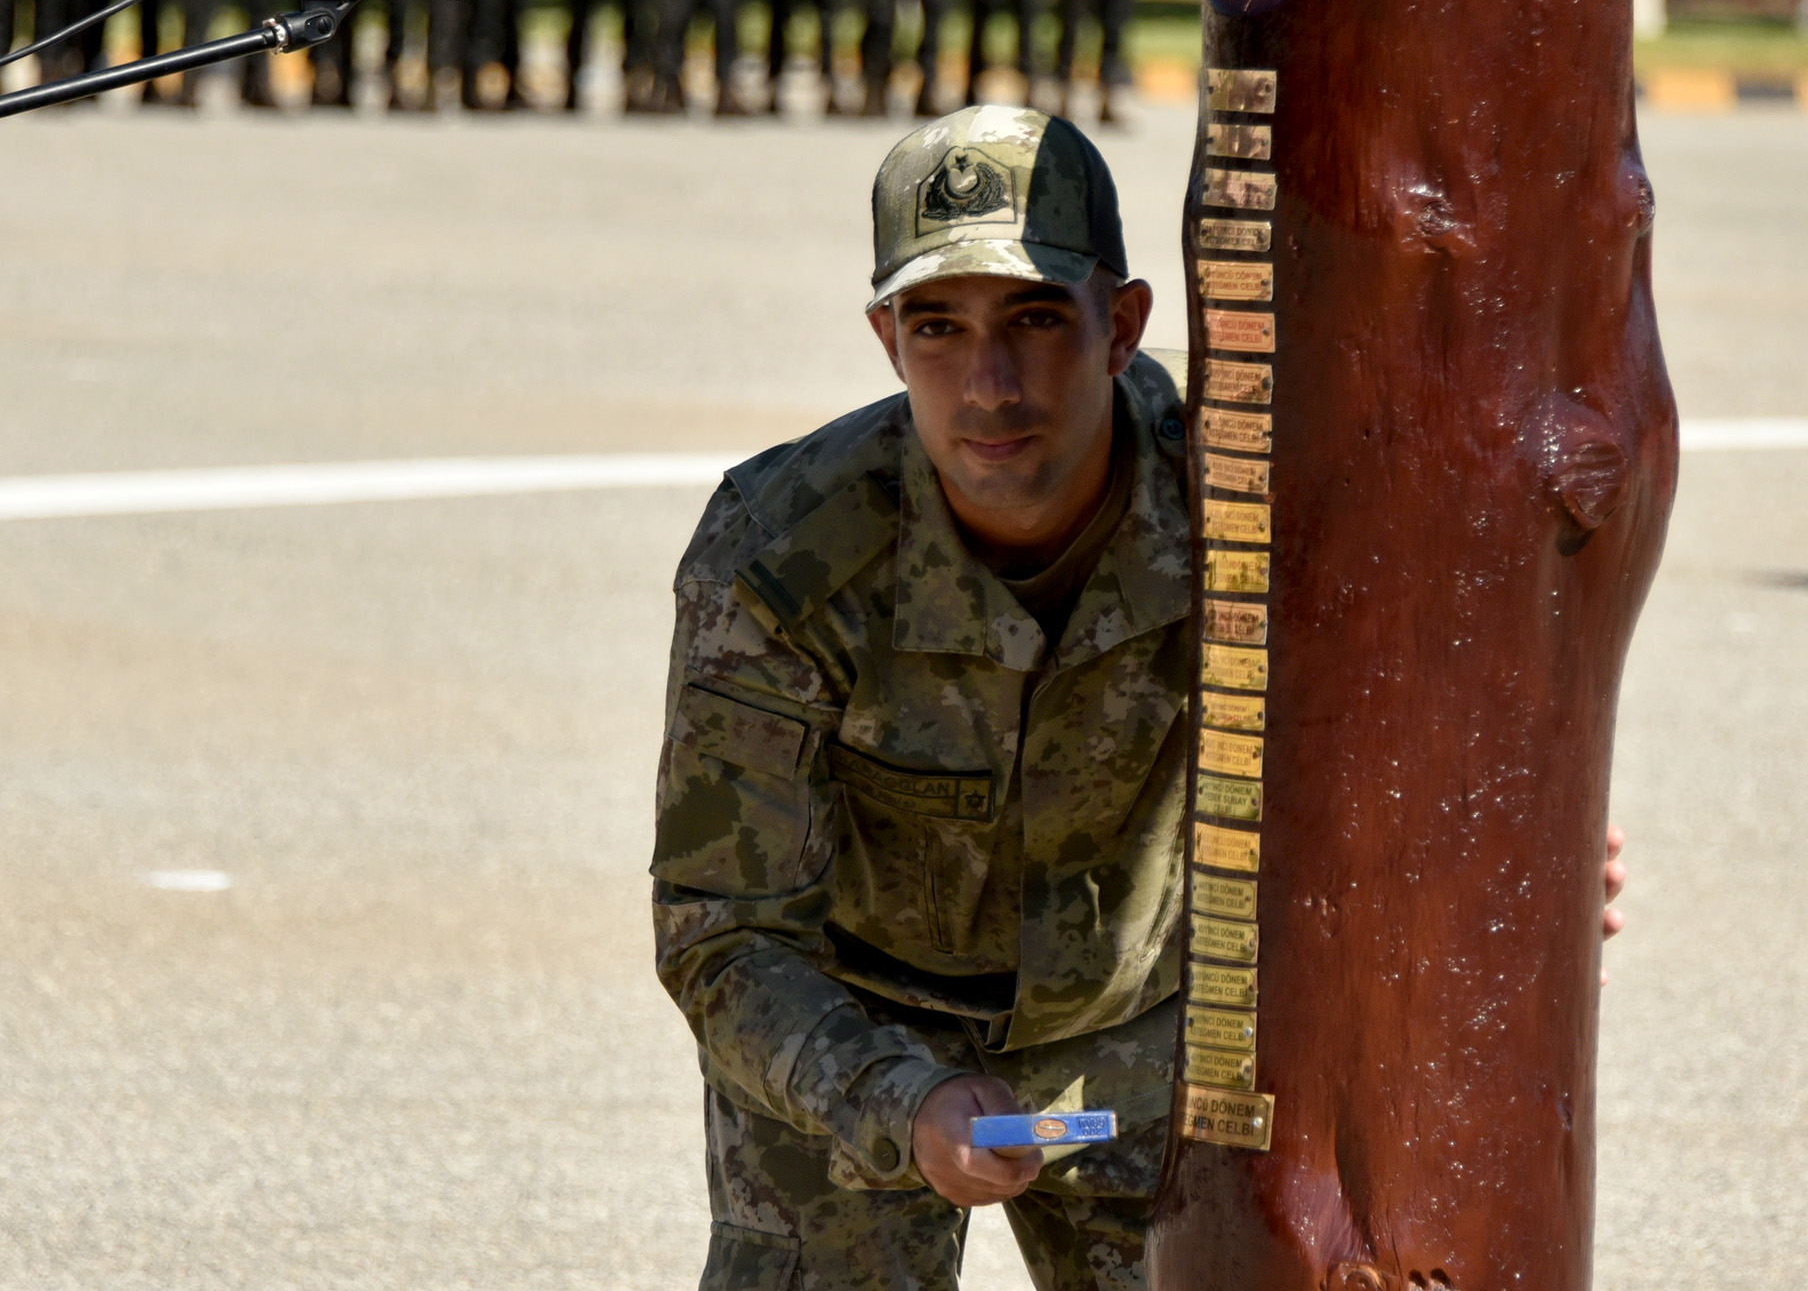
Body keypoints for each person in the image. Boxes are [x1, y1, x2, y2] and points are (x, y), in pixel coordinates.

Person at [650, 106, 1632, 1291]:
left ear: (1119, 326)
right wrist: (898, 1100)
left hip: (1134, 1046)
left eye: (1033, 320)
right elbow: (725, 934)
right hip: (854, 1030)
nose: (988, 385)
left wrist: (1509, 872)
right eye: (938, 328)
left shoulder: (1240, 507)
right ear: (886, 341)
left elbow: (1384, 741)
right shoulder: (780, 556)